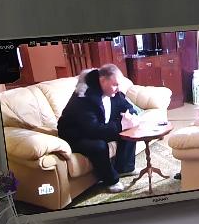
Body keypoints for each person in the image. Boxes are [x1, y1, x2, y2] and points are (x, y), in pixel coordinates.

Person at [57, 64, 139, 193]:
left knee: (129, 131)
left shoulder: (113, 92)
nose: (118, 89)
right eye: (115, 85)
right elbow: (92, 130)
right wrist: (121, 125)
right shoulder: (83, 96)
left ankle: (125, 168)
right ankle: (111, 180)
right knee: (99, 146)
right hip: (76, 134)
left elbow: (128, 107)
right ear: (103, 80)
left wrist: (130, 116)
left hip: (97, 128)